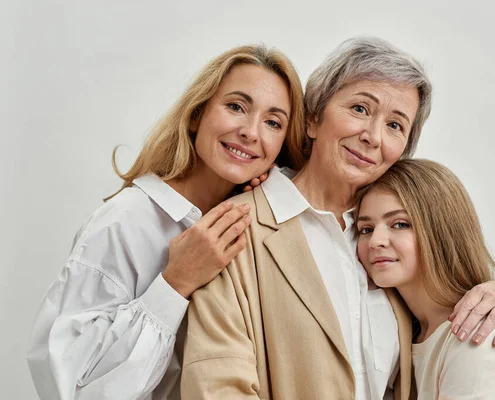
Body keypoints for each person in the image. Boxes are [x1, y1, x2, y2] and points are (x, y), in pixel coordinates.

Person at [180, 37, 495, 400]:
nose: (373, 136)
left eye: (395, 125)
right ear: (313, 119)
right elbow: (215, 385)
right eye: (360, 109)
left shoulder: (393, 243)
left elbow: (479, 361)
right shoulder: (234, 227)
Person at [26, 44, 305, 400]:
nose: (251, 132)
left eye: (272, 122)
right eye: (236, 106)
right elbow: (68, 387)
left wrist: (272, 191)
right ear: (196, 114)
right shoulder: (126, 221)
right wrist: (174, 284)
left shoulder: (252, 223)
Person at [355, 159, 495, 399]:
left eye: (400, 224)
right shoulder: (407, 334)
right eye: (366, 229)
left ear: (441, 231)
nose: (375, 241)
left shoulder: (477, 338)